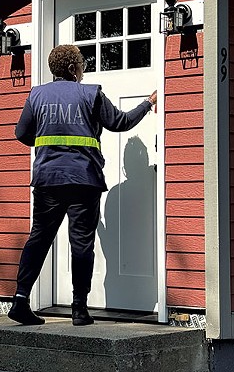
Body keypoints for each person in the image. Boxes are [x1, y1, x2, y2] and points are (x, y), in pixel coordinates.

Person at [9, 44, 157, 327]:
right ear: (72, 68)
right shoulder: (90, 94)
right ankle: (79, 310)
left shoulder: (37, 95)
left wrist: (48, 142)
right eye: (81, 64)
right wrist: (147, 104)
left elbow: (21, 133)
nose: (83, 69)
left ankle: (20, 299)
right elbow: (120, 123)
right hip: (83, 180)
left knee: (38, 239)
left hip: (47, 180)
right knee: (81, 244)